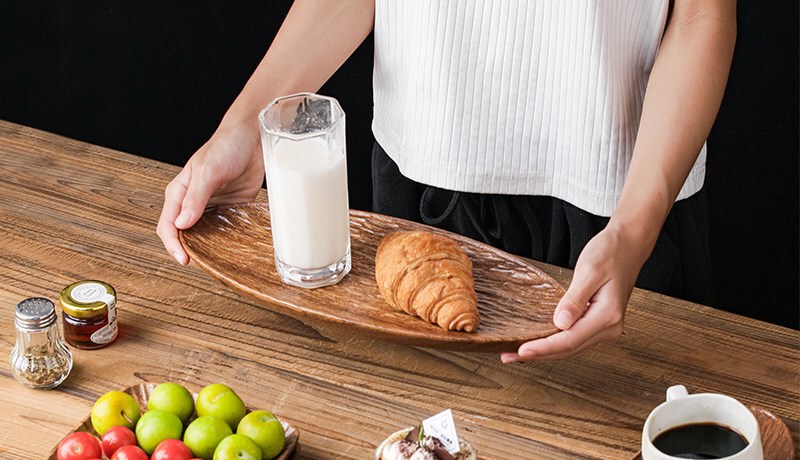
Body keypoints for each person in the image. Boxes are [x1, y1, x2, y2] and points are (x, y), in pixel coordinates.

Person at [157, 0, 736, 362]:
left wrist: (635, 227)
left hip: (621, 217)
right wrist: (246, 130)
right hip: (418, 206)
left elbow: (701, 14)